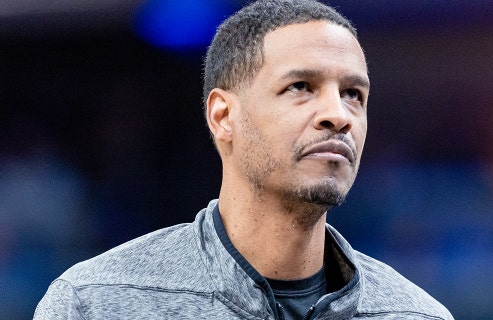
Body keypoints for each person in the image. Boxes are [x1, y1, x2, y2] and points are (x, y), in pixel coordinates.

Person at [35, 0, 454, 319]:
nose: (339, 115)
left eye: (353, 94)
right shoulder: (95, 304)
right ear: (223, 116)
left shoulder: (415, 313)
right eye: (301, 86)